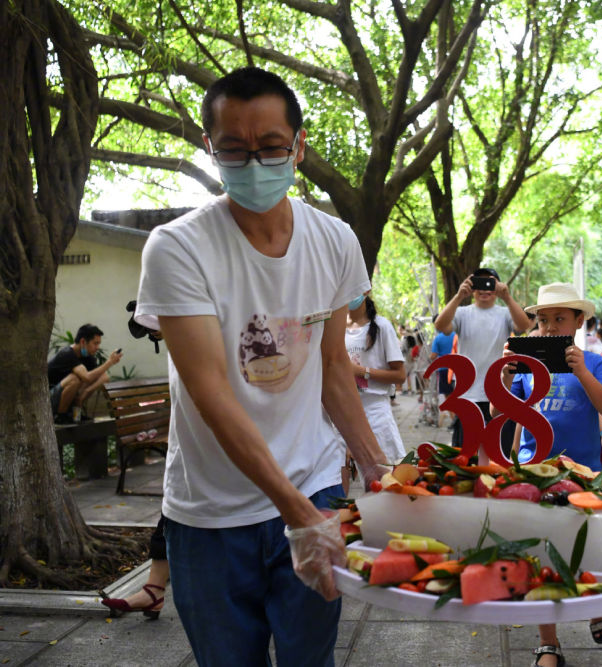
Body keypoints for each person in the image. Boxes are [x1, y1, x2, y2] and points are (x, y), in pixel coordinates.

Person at [134, 66, 389, 666]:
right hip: (210, 513)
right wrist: (293, 512)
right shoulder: (177, 247)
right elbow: (209, 390)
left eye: (271, 147)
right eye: (234, 150)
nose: (254, 164)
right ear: (210, 149)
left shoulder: (334, 241)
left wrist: (382, 473)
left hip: (316, 484)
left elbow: (332, 372)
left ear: (298, 147)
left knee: (311, 659)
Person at [494, 282, 602, 667]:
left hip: (584, 472)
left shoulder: (595, 363)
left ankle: (597, 602)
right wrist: (503, 372)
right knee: (538, 549)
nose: (548, 328)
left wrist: (581, 371)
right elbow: (503, 412)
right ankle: (549, 643)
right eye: (543, 321)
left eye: (559, 319)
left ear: (579, 321)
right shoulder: (528, 366)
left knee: (589, 542)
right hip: (534, 470)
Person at [434, 267, 531, 452]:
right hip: (467, 394)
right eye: (479, 283)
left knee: (498, 453)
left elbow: (523, 325)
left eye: (491, 284)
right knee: (466, 456)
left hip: (499, 393)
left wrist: (507, 297)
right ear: (472, 286)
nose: (485, 289)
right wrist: (458, 296)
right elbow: (440, 325)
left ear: (498, 287)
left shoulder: (504, 313)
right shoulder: (463, 313)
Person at [345, 293, 408, 461]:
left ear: (365, 290)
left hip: (374, 412)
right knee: (337, 475)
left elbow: (400, 375)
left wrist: (359, 371)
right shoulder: (335, 328)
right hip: (341, 413)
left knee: (381, 479)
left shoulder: (382, 326)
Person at [47, 324, 122, 423]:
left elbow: (103, 378)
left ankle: (75, 416)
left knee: (100, 377)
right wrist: (110, 362)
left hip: (67, 399)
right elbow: (87, 377)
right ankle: (60, 417)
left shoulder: (88, 356)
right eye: (95, 343)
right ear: (83, 342)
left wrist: (84, 394)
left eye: (98, 344)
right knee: (75, 378)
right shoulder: (67, 354)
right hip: (48, 401)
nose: (97, 347)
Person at [430, 328, 457, 428]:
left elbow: (433, 356)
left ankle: (454, 420)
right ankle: (458, 420)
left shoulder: (438, 338)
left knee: (448, 397)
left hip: (444, 369)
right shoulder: (456, 335)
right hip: (457, 368)